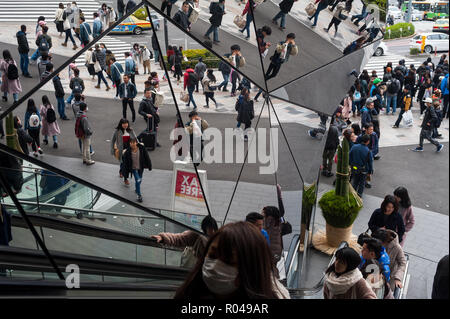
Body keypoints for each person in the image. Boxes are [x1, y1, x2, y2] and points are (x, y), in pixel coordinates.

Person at [174, 221, 290, 299]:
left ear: (251, 270)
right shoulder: (189, 292)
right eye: (213, 255)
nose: (215, 265)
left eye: (228, 260)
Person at [152, 215, 218, 268]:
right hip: (195, 270)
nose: (213, 231)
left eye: (214, 228)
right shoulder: (196, 236)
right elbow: (178, 238)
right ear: (205, 228)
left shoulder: (219, 240)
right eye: (210, 228)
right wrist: (163, 237)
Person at [121, 138, 152, 202]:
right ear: (129, 143)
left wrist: (149, 166)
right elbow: (125, 164)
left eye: (133, 143)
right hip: (134, 169)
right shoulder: (127, 152)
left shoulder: (142, 148)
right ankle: (139, 195)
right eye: (131, 143)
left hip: (140, 168)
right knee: (138, 180)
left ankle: (136, 189)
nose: (132, 144)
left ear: (136, 143)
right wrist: (125, 176)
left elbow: (147, 157)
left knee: (139, 180)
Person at [111, 118, 137, 186]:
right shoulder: (117, 131)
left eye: (126, 124)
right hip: (121, 150)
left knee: (127, 163)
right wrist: (112, 149)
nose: (125, 125)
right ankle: (125, 179)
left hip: (129, 149)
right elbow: (113, 140)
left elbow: (135, 139)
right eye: (123, 124)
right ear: (121, 124)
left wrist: (138, 145)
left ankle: (121, 171)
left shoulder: (130, 130)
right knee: (124, 163)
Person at [261, 206, 282, 277]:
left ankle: (274, 280)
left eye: (263, 213)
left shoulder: (268, 223)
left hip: (270, 253)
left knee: (269, 269)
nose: (262, 214)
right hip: (276, 253)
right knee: (272, 266)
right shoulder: (278, 222)